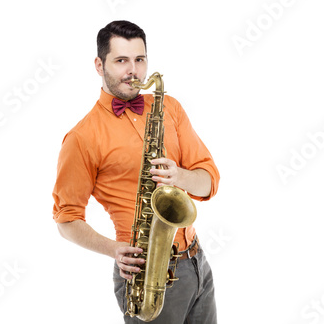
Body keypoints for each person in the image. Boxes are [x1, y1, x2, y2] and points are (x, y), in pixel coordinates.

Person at [52, 20, 220, 323]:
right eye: (121, 61)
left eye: (139, 60)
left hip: (197, 263)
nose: (133, 71)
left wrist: (180, 177)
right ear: (99, 65)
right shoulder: (82, 138)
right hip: (144, 276)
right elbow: (66, 219)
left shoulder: (170, 108)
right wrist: (113, 249)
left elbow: (209, 180)